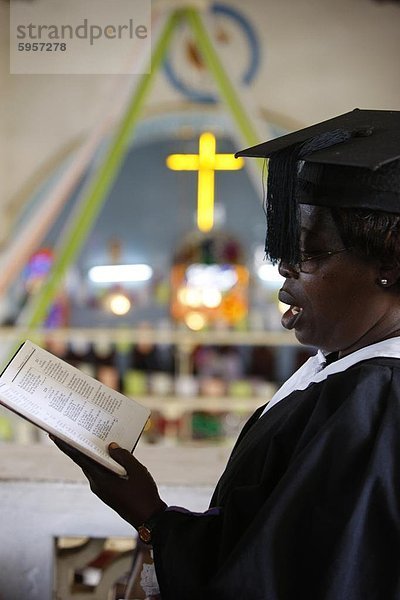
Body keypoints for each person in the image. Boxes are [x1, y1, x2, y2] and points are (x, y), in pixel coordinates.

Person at [53, 108, 400, 599]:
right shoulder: (343, 368)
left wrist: (152, 520)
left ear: (387, 261)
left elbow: (296, 582)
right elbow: (274, 542)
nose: (286, 272)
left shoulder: (378, 398)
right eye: (283, 253)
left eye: (310, 253)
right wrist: (150, 512)